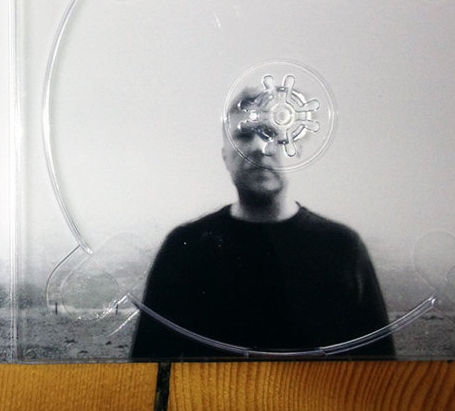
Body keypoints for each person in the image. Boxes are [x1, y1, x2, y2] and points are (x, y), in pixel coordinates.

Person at [130, 87, 395, 359]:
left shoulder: (342, 248)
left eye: (270, 131)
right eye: (244, 135)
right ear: (225, 157)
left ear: (296, 150)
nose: (258, 147)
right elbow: (146, 370)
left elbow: (382, 373)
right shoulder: (184, 248)